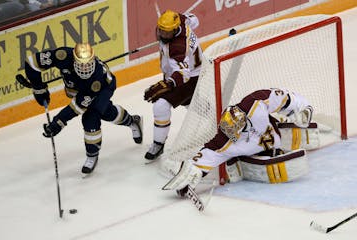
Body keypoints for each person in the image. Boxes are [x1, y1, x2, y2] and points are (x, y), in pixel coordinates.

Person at [162, 88, 314, 195]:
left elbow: (285, 97)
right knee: (226, 153)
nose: (231, 134)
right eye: (229, 132)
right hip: (252, 150)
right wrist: (194, 171)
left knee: (275, 144)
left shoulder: (255, 103)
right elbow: (209, 153)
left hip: (273, 138)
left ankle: (267, 150)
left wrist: (304, 109)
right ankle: (237, 161)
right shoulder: (226, 139)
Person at [24, 43, 143, 174]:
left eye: (88, 64)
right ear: (74, 59)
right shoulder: (62, 56)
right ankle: (132, 121)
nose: (85, 68)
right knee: (106, 112)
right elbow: (32, 62)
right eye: (81, 64)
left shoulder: (95, 80)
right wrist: (38, 88)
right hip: (80, 89)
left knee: (90, 117)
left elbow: (77, 107)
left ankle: (92, 154)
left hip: (103, 88)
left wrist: (58, 122)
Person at [144, 9, 203, 161]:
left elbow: (183, 74)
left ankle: (158, 144)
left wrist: (168, 83)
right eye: (161, 30)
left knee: (161, 106)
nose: (163, 35)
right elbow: (194, 19)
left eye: (167, 33)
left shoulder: (177, 48)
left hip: (190, 78)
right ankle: (213, 114)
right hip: (196, 71)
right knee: (195, 104)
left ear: (175, 30)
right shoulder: (182, 20)